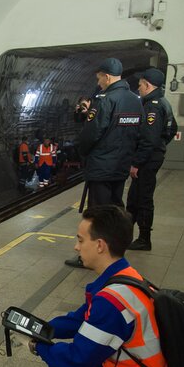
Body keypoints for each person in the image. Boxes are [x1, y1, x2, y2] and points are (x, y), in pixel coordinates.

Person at [28, 205, 178, 367]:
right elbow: (80, 319)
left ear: (99, 245)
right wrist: (43, 328)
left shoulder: (112, 301)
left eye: (80, 240)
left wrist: (40, 348)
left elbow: (77, 358)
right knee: (76, 360)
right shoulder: (127, 278)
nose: (76, 247)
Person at [66, 57, 144, 268]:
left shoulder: (105, 99)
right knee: (116, 208)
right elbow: (139, 133)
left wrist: (81, 152)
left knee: (98, 214)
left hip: (102, 165)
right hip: (121, 165)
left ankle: (89, 257)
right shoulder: (135, 100)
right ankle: (116, 250)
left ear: (107, 77)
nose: (98, 82)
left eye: (99, 78)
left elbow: (92, 133)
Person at [126, 68, 178, 251]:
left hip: (147, 160)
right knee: (134, 197)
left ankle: (144, 239)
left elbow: (148, 139)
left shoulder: (152, 107)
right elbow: (172, 129)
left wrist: (136, 163)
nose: (138, 88)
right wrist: (161, 144)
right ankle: (126, 235)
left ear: (147, 85)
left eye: (140, 85)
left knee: (143, 199)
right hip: (153, 156)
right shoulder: (163, 102)